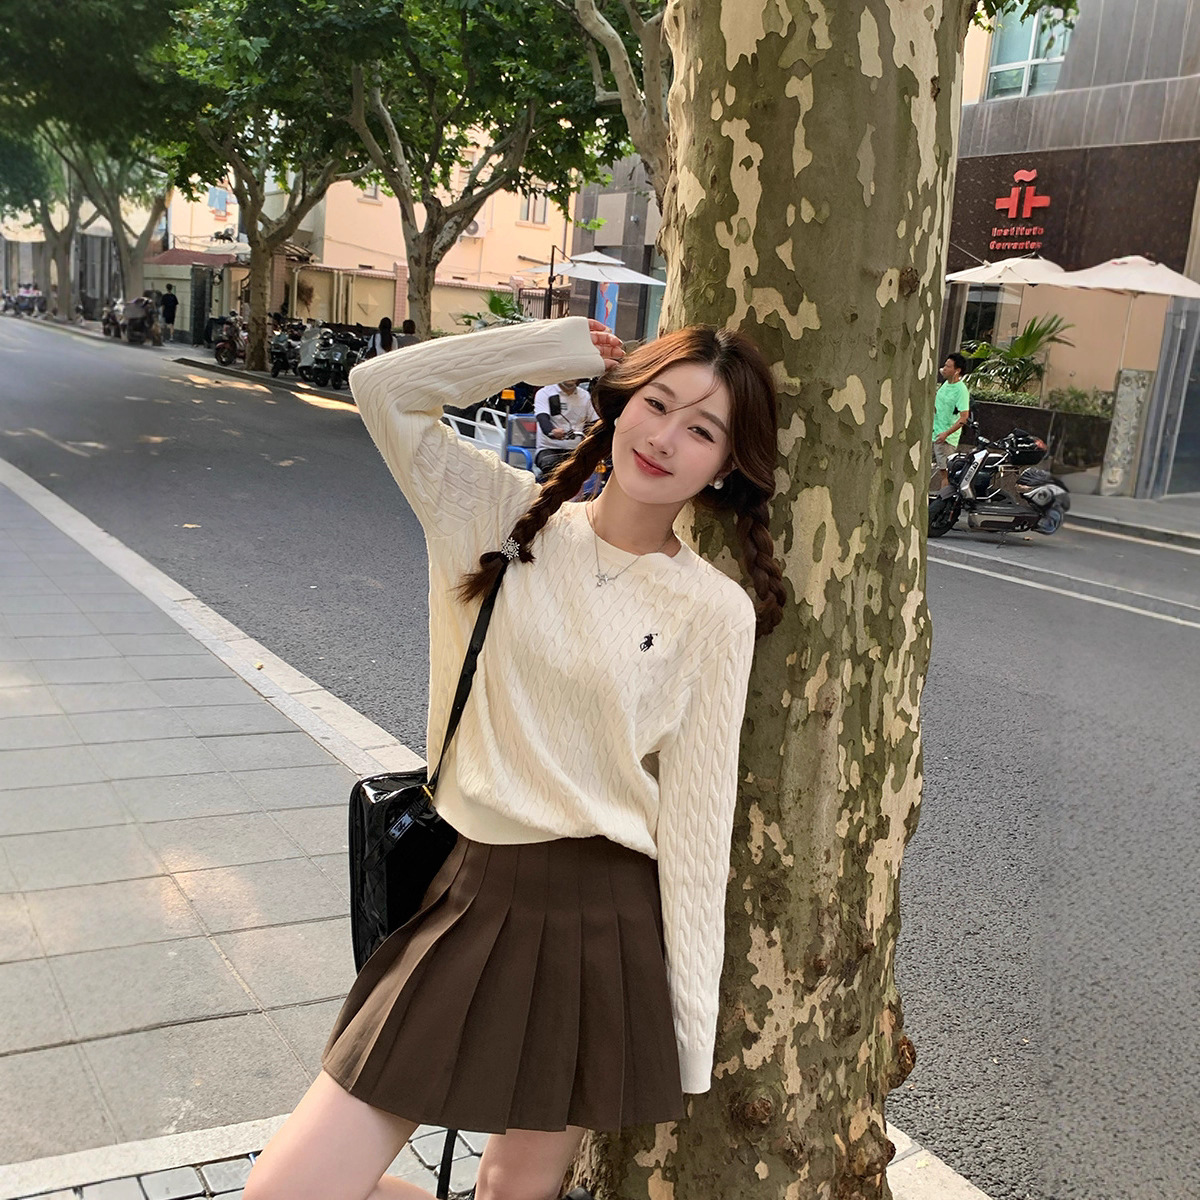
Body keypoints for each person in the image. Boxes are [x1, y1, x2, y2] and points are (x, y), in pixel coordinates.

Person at [243, 316, 787, 1200]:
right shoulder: (499, 518)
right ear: (619, 404)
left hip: (603, 923)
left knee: (512, 1193)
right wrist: (557, 350)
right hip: (473, 891)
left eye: (702, 429)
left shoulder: (713, 611)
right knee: (288, 1191)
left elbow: (697, 824)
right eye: (656, 404)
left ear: (725, 465)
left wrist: (687, 1035)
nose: (664, 438)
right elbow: (383, 389)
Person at [532, 377, 597, 474]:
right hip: (549, 448)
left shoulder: (585, 396)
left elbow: (594, 421)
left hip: (575, 449)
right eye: (568, 373)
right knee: (552, 466)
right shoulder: (545, 393)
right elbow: (542, 418)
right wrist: (552, 431)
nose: (571, 376)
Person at [933, 351, 971, 489]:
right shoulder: (945, 384)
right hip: (934, 433)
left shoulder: (961, 390)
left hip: (946, 439)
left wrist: (946, 434)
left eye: (948, 366)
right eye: (945, 365)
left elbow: (963, 417)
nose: (944, 369)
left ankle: (944, 499)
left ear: (957, 370)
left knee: (946, 474)